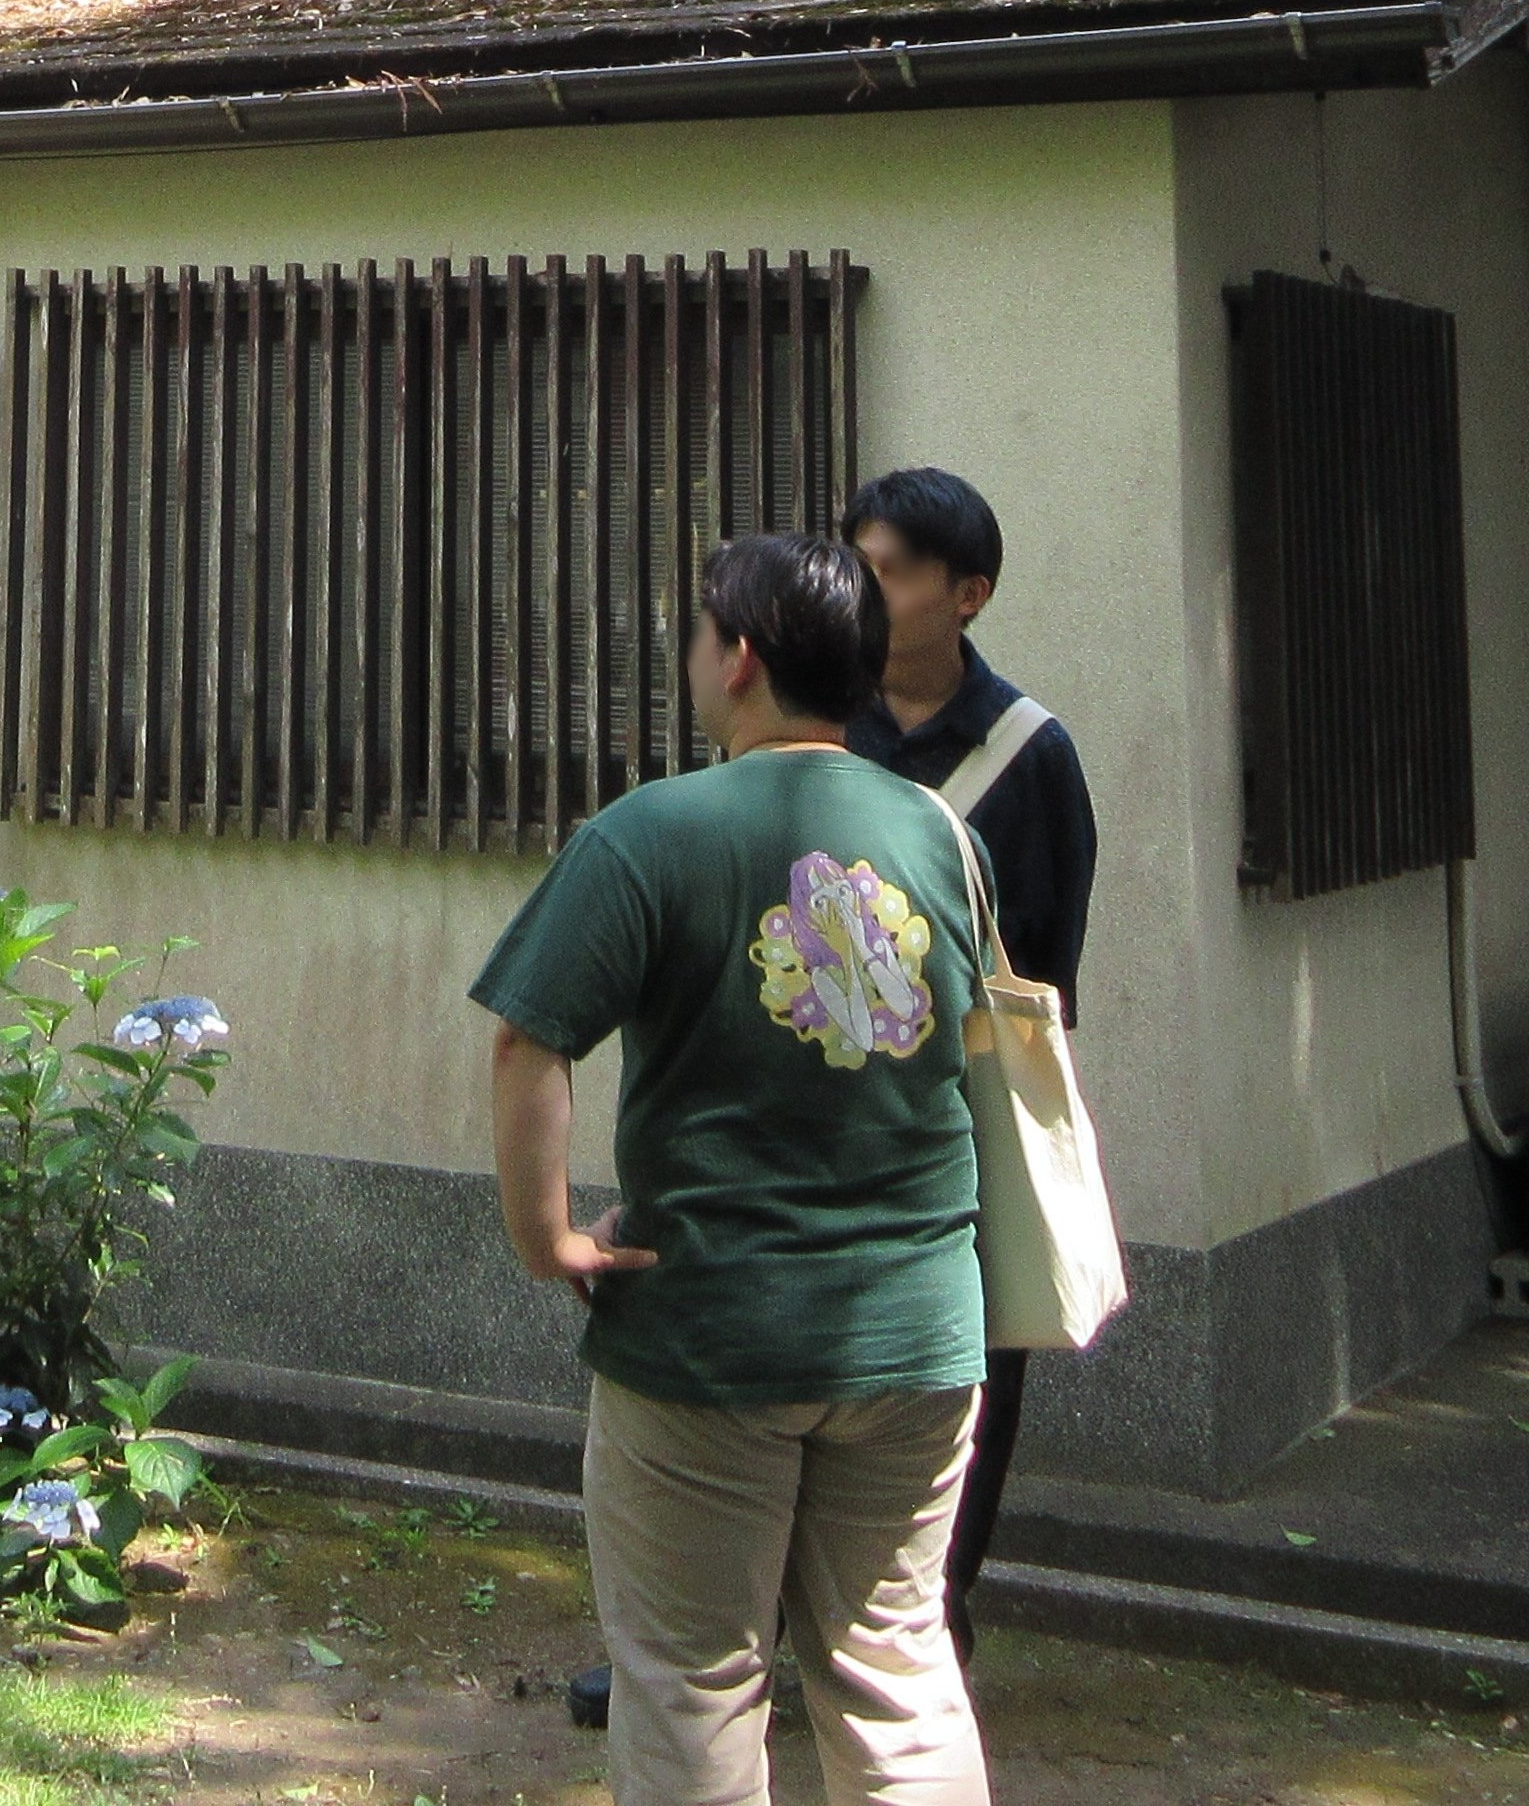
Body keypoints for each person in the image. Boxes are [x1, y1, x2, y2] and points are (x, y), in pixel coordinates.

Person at [471, 534, 990, 1806]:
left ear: (740, 657)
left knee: (695, 1680)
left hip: (710, 1328)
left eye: (698, 632)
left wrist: (547, 1242)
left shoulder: (650, 833)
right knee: (896, 1672)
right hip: (921, 1327)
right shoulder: (936, 833)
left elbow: (529, 1038)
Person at [843, 464, 1099, 1636]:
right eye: (856, 562)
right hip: (809, 1117)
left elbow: (1043, 978)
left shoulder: (1031, 757)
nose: (864, 586)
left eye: (890, 570)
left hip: (954, 1119)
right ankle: (733, 1635)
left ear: (969, 595)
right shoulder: (807, 722)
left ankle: (929, 1623)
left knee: (972, 1371)